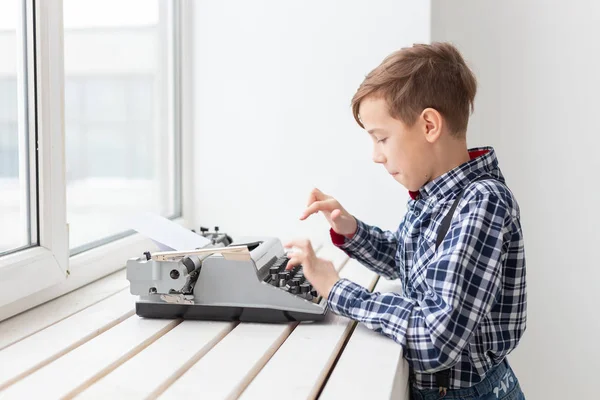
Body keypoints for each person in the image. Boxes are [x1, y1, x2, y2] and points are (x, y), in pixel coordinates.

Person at [285, 42, 527, 399]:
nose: (376, 156)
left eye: (382, 138)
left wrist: (337, 290)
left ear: (429, 124)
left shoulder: (481, 203)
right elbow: (409, 260)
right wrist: (350, 230)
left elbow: (435, 338)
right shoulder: (437, 194)